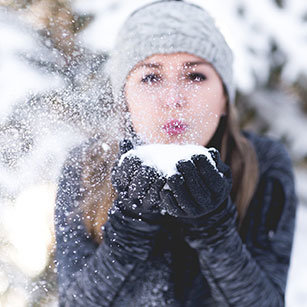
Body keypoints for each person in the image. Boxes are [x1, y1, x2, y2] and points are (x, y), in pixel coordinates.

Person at [54, 1, 297, 306]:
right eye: (151, 77)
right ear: (125, 97)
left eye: (195, 76)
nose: (173, 99)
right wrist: (129, 228)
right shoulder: (88, 166)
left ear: (224, 97)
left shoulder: (262, 165)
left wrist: (215, 231)